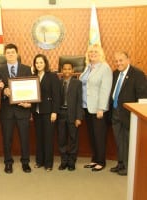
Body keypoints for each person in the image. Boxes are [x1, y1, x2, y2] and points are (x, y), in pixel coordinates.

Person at [0, 43, 32, 174]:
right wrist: (2, 91)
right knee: (7, 138)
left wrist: (29, 102)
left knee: (24, 138)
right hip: (7, 111)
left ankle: (25, 162)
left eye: (12, 52)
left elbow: (31, 89)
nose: (10, 54)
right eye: (8, 52)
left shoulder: (27, 69)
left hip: (22, 110)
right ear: (5, 55)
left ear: (17, 54)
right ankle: (8, 162)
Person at [109, 51, 147, 176]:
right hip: (115, 113)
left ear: (128, 60)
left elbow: (142, 97)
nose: (118, 63)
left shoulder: (137, 74)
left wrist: (137, 113)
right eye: (116, 61)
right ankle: (120, 164)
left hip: (129, 115)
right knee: (119, 141)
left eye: (121, 60)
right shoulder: (115, 74)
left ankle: (128, 167)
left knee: (128, 141)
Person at [79, 44, 113, 172]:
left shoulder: (105, 68)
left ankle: (101, 161)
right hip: (87, 107)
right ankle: (94, 159)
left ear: (101, 54)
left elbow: (105, 90)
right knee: (92, 135)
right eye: (90, 52)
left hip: (98, 109)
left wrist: (101, 108)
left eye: (95, 52)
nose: (92, 54)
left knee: (99, 136)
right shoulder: (88, 67)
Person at [31, 54, 60, 171]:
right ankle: (39, 161)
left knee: (48, 138)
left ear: (45, 63)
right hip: (36, 112)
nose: (39, 65)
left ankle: (48, 164)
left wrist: (55, 111)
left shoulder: (52, 76)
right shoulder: (33, 76)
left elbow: (56, 95)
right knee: (39, 138)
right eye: (36, 63)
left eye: (41, 62)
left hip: (49, 112)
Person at [57, 62, 83, 171]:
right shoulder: (58, 82)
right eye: (64, 69)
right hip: (61, 114)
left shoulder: (77, 83)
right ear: (62, 70)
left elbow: (79, 101)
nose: (67, 71)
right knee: (61, 138)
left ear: (72, 70)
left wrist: (78, 117)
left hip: (72, 114)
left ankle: (72, 160)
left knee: (73, 138)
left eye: (69, 69)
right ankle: (64, 160)